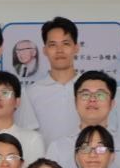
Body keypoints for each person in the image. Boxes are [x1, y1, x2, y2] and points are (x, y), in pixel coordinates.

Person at [44, 71, 120, 168]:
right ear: (75, 102)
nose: (92, 100)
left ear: (112, 104)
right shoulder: (57, 148)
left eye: (100, 95)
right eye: (85, 95)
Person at [21, 16, 85, 148]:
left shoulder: (89, 88)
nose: (59, 50)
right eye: (53, 45)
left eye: (66, 44)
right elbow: (27, 137)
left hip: (88, 159)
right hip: (46, 160)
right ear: (45, 50)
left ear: (76, 48)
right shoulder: (31, 92)